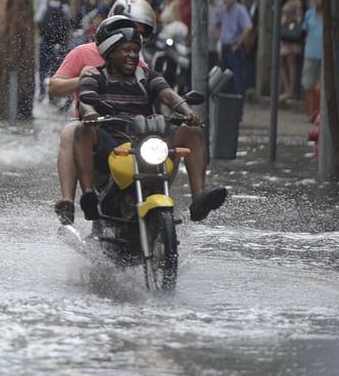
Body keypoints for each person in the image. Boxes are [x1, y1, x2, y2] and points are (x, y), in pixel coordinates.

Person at [51, 15, 227, 225]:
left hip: (145, 140)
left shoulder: (146, 75)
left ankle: (199, 196)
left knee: (193, 133)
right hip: (112, 143)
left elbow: (168, 95)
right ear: (111, 52)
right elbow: (85, 101)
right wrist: (89, 113)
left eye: (135, 51)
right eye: (126, 50)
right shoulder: (94, 75)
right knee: (80, 130)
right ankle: (88, 194)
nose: (132, 56)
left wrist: (187, 111)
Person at [49, 0, 156, 211]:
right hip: (94, 127)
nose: (134, 37)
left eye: (141, 32)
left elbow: (158, 93)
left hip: (129, 130)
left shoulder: (139, 63)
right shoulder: (83, 53)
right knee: (71, 131)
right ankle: (68, 201)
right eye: (130, 28)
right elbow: (54, 87)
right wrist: (81, 80)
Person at [214, 0, 253, 97]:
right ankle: (227, 101)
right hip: (225, 46)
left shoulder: (240, 10)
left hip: (235, 47)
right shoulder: (223, 10)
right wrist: (219, 36)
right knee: (225, 78)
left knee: (237, 77)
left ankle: (238, 101)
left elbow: (248, 27)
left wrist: (238, 43)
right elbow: (217, 24)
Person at [37, 0, 71, 99]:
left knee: (43, 68)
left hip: (45, 41)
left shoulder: (44, 6)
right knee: (55, 67)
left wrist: (42, 32)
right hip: (58, 43)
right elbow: (68, 23)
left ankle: (42, 91)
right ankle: (53, 93)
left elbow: (38, 19)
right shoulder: (64, 8)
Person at [279, 0, 306, 103]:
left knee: (291, 61)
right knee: (282, 62)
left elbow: (300, 18)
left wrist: (291, 18)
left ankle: (291, 90)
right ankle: (286, 88)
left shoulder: (297, 2)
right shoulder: (285, 2)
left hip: (292, 36)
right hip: (284, 35)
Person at [301, 0, 324, 121]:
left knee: (322, 87)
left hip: (324, 56)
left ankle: (320, 113)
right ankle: (310, 113)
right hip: (310, 53)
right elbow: (304, 31)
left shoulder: (330, 16)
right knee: (308, 84)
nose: (319, 2)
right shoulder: (309, 14)